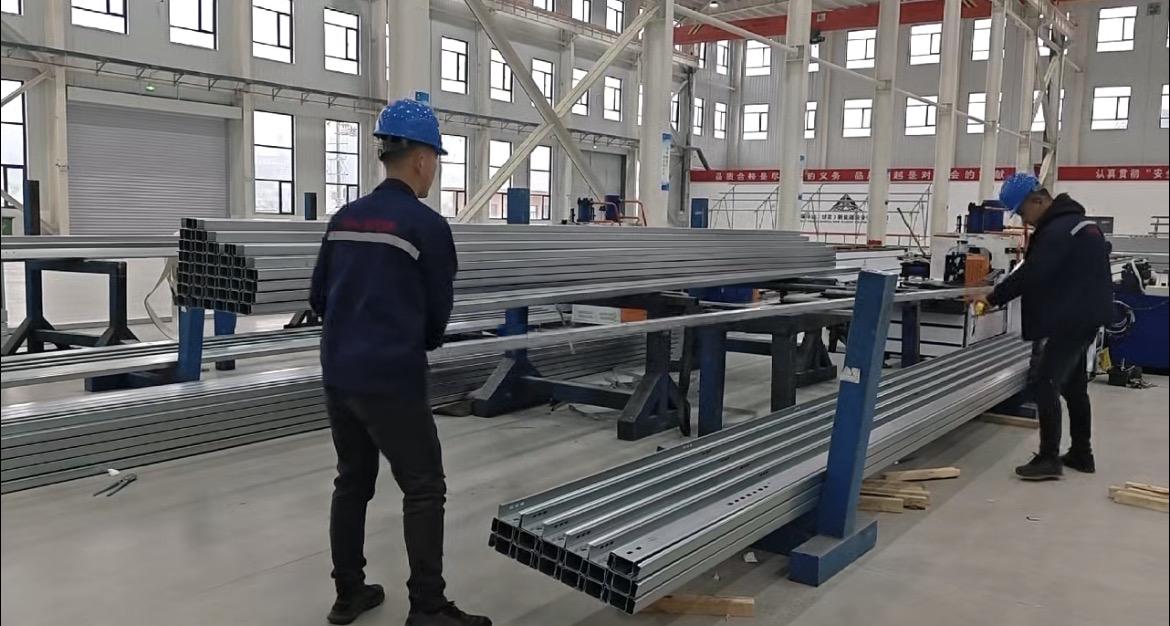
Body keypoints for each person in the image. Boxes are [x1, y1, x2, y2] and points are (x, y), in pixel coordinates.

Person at [309, 99, 490, 626]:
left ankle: (349, 593)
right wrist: (416, 342)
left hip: (339, 374)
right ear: (422, 159)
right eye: (436, 160)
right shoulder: (426, 226)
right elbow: (437, 313)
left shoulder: (344, 219)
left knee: (352, 481)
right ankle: (428, 607)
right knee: (424, 487)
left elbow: (318, 298)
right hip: (391, 377)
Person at [979, 173, 1114, 481]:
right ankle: (1082, 453)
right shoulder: (1079, 224)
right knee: (1074, 386)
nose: (1024, 220)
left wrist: (992, 297)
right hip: (1085, 315)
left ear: (1038, 199)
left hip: (1072, 318)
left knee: (1044, 381)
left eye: (1023, 212)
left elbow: (1032, 273)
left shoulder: (1058, 230)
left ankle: (1049, 458)